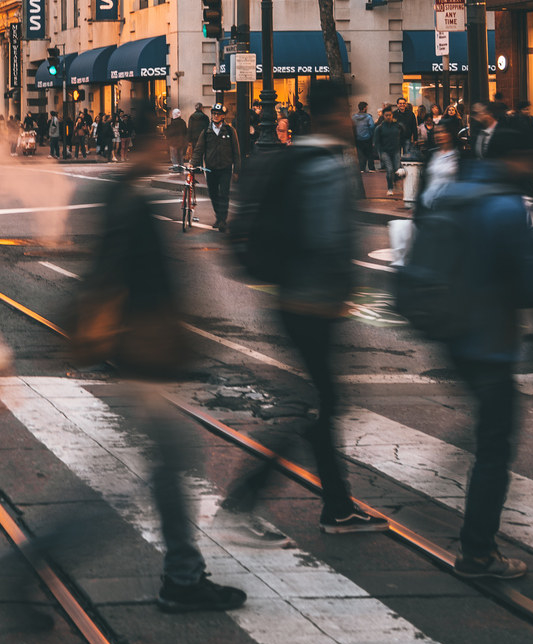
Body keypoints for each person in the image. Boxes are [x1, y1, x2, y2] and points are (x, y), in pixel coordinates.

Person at [78, 107, 245, 613]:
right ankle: (181, 577)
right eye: (163, 143)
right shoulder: (129, 202)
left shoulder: (123, 196)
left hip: (133, 353)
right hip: (138, 356)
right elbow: (126, 280)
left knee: (160, 471)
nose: (167, 152)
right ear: (148, 146)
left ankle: (182, 574)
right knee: (164, 469)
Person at [225, 80, 382, 538]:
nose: (349, 121)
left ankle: (337, 505)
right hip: (316, 301)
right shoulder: (328, 168)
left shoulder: (291, 158)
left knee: (320, 405)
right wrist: (345, 293)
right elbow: (327, 239)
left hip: (288, 295)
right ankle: (249, 498)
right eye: (345, 111)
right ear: (332, 114)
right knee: (315, 407)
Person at [429, 114, 533, 579]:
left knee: (487, 431)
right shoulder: (508, 208)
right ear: (517, 156)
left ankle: (476, 536)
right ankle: (478, 551)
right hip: (490, 342)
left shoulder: (455, 193)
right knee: (495, 447)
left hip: (451, 333)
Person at [192, 104, 238, 230]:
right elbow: (199, 149)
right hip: (211, 169)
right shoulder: (206, 131)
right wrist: (193, 163)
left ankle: (222, 220)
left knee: (224, 194)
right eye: (213, 114)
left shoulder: (229, 130)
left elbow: (236, 151)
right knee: (213, 194)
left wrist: (237, 170)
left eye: (218, 114)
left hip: (225, 168)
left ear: (223, 116)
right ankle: (218, 217)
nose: (215, 116)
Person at [373, 107, 408, 194]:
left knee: (397, 170)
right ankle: (390, 188)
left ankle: (396, 183)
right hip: (385, 152)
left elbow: (404, 137)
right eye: (386, 115)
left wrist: (404, 148)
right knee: (389, 170)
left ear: (392, 115)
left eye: (390, 115)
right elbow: (376, 142)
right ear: (383, 116)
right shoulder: (379, 128)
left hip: (396, 151)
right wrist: (380, 153)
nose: (388, 117)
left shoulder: (398, 125)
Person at [351, 100, 375, 174]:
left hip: (358, 138)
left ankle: (362, 168)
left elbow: (352, 127)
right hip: (367, 138)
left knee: (360, 154)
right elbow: (372, 126)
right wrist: (371, 135)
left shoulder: (354, 117)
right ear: (364, 108)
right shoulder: (368, 117)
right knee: (369, 153)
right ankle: (371, 168)